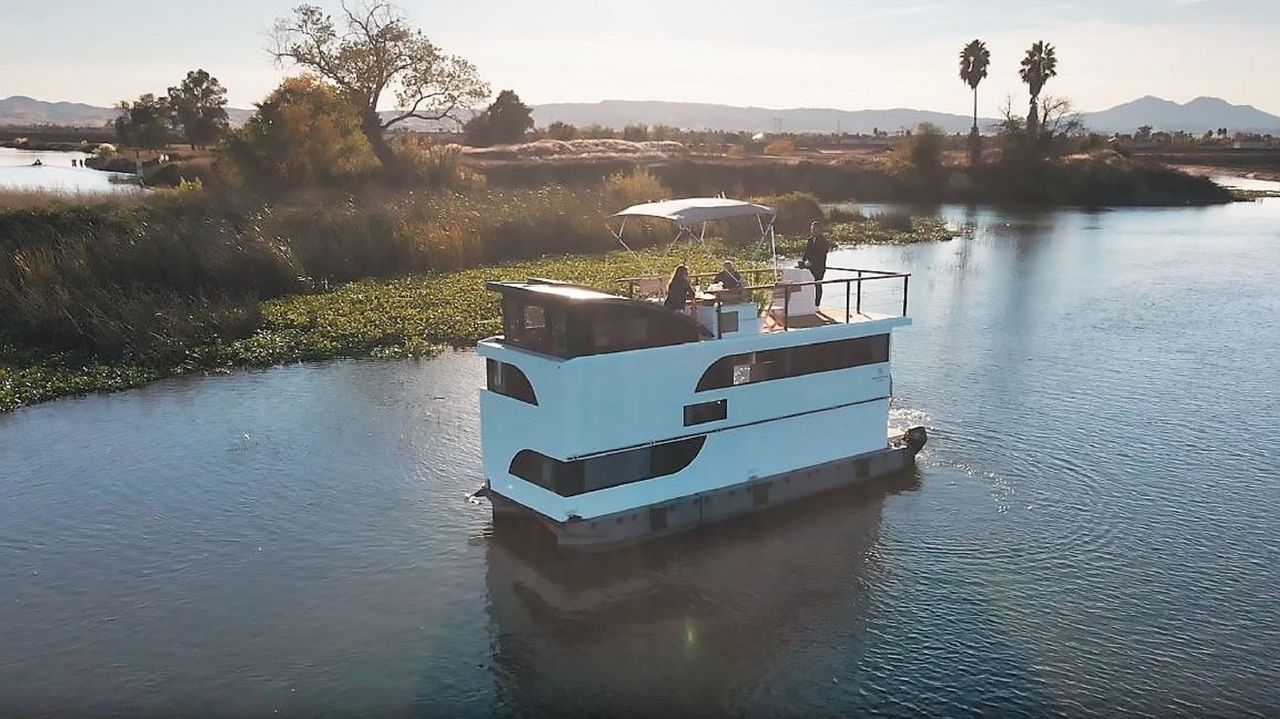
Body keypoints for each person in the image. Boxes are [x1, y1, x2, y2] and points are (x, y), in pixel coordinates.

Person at [800, 220, 831, 304]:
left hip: (819, 267)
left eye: (814, 229)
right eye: (812, 229)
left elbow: (821, 255)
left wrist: (812, 262)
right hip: (809, 267)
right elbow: (806, 252)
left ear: (820, 230)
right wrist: (803, 261)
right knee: (808, 285)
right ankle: (808, 303)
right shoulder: (810, 240)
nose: (812, 231)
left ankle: (817, 303)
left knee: (817, 285)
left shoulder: (824, 242)